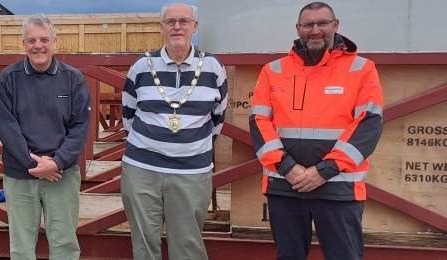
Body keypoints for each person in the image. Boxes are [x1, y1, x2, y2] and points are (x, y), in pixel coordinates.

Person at [249, 2, 384, 259]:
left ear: (336, 25)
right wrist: (288, 168)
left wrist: (324, 171)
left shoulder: (362, 69)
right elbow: (259, 122)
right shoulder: (273, 70)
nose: (315, 30)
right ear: (298, 28)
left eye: (322, 23)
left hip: (338, 187)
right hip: (285, 186)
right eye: (308, 24)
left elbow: (368, 125)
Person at [120, 3, 228, 260]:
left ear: (195, 26)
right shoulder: (141, 67)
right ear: (161, 27)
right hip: (142, 170)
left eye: (184, 21)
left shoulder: (213, 67)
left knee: (188, 245)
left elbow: (218, 118)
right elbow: (129, 115)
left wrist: (188, 148)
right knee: (144, 244)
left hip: (191, 173)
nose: (177, 27)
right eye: (170, 22)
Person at [0, 14, 91, 260]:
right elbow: (6, 126)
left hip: (62, 174)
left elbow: (80, 127)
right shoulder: (8, 78)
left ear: (55, 42)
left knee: (65, 244)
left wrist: (56, 163)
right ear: (23, 43)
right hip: (20, 174)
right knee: (21, 246)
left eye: (44, 39)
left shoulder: (73, 79)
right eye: (32, 40)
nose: (38, 45)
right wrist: (35, 165)